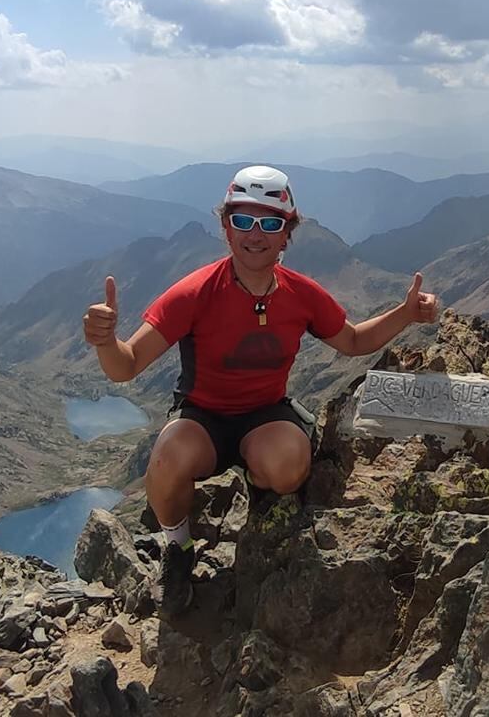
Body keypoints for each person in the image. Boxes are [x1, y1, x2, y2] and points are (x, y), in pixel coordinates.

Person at [81, 165, 439, 615]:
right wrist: (105, 341)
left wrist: (405, 314)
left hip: (265, 415)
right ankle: (178, 546)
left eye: (270, 222)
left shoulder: (300, 294)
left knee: (287, 467)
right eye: (243, 220)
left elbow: (352, 340)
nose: (256, 233)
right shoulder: (194, 292)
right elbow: (126, 366)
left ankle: (260, 483)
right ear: (226, 228)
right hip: (203, 418)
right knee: (169, 456)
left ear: (287, 233)